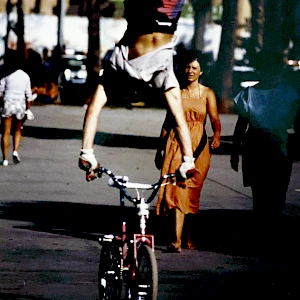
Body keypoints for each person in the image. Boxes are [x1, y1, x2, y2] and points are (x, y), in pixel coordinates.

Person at [78, 0, 196, 181]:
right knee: (177, 113)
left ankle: (86, 152)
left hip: (136, 51)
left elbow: (93, 109)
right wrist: (188, 161)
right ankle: (86, 153)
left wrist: (87, 153)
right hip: (151, 51)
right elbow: (179, 120)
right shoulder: (161, 76)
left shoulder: (123, 68)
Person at [155, 51, 221, 253]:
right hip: (176, 144)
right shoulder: (176, 92)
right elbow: (168, 122)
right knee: (178, 190)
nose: (190, 71)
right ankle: (176, 240)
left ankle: (188, 235)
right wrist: (160, 148)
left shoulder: (207, 93)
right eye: (187, 67)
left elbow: (214, 119)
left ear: (201, 71)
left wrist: (217, 134)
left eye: (194, 68)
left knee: (192, 193)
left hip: (199, 146)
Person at [230, 52, 300, 232]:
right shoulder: (249, 93)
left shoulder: (289, 94)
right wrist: (235, 151)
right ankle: (262, 228)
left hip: (279, 145)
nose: (271, 74)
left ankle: (273, 227)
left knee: (278, 191)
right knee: (259, 192)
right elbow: (241, 124)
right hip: (255, 145)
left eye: (274, 70)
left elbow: (298, 122)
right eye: (267, 70)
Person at [0, 50, 34, 166]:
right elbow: (28, 95)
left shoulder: (6, 75)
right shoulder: (25, 76)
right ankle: (15, 151)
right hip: (20, 104)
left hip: (8, 103)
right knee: (18, 130)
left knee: (6, 131)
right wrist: (28, 109)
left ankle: (5, 158)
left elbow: (1, 92)